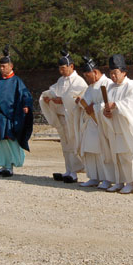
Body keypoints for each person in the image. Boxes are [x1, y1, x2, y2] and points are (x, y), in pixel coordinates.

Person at [98, 54, 133, 194]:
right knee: (116, 155)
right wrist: (105, 110)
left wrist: (116, 105)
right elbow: (105, 103)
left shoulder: (131, 86)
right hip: (114, 126)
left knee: (127, 155)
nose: (113, 76)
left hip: (126, 126)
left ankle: (130, 182)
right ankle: (119, 181)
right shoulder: (110, 87)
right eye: (111, 73)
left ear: (124, 72)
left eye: (116, 73)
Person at [39, 49, 87, 183]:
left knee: (73, 144)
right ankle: (68, 170)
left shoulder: (79, 81)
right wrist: (49, 97)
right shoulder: (61, 80)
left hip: (72, 118)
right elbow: (53, 91)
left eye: (63, 68)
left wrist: (63, 99)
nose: (61, 71)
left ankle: (74, 172)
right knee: (65, 145)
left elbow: (77, 97)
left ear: (71, 66)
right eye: (60, 68)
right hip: (61, 116)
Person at [0, 47, 33, 177]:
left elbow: (25, 94)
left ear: (11, 66)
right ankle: (3, 165)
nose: (1, 68)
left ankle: (10, 166)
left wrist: (26, 105)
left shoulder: (17, 81)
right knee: (0, 141)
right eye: (0, 66)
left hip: (11, 117)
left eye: (4, 66)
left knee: (10, 140)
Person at [75, 55, 115, 188]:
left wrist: (96, 107)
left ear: (96, 72)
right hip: (91, 122)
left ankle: (107, 178)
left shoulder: (108, 83)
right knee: (90, 150)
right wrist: (83, 103)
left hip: (103, 123)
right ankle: (93, 177)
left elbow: (109, 103)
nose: (86, 79)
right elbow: (85, 102)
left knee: (102, 151)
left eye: (88, 75)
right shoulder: (91, 86)